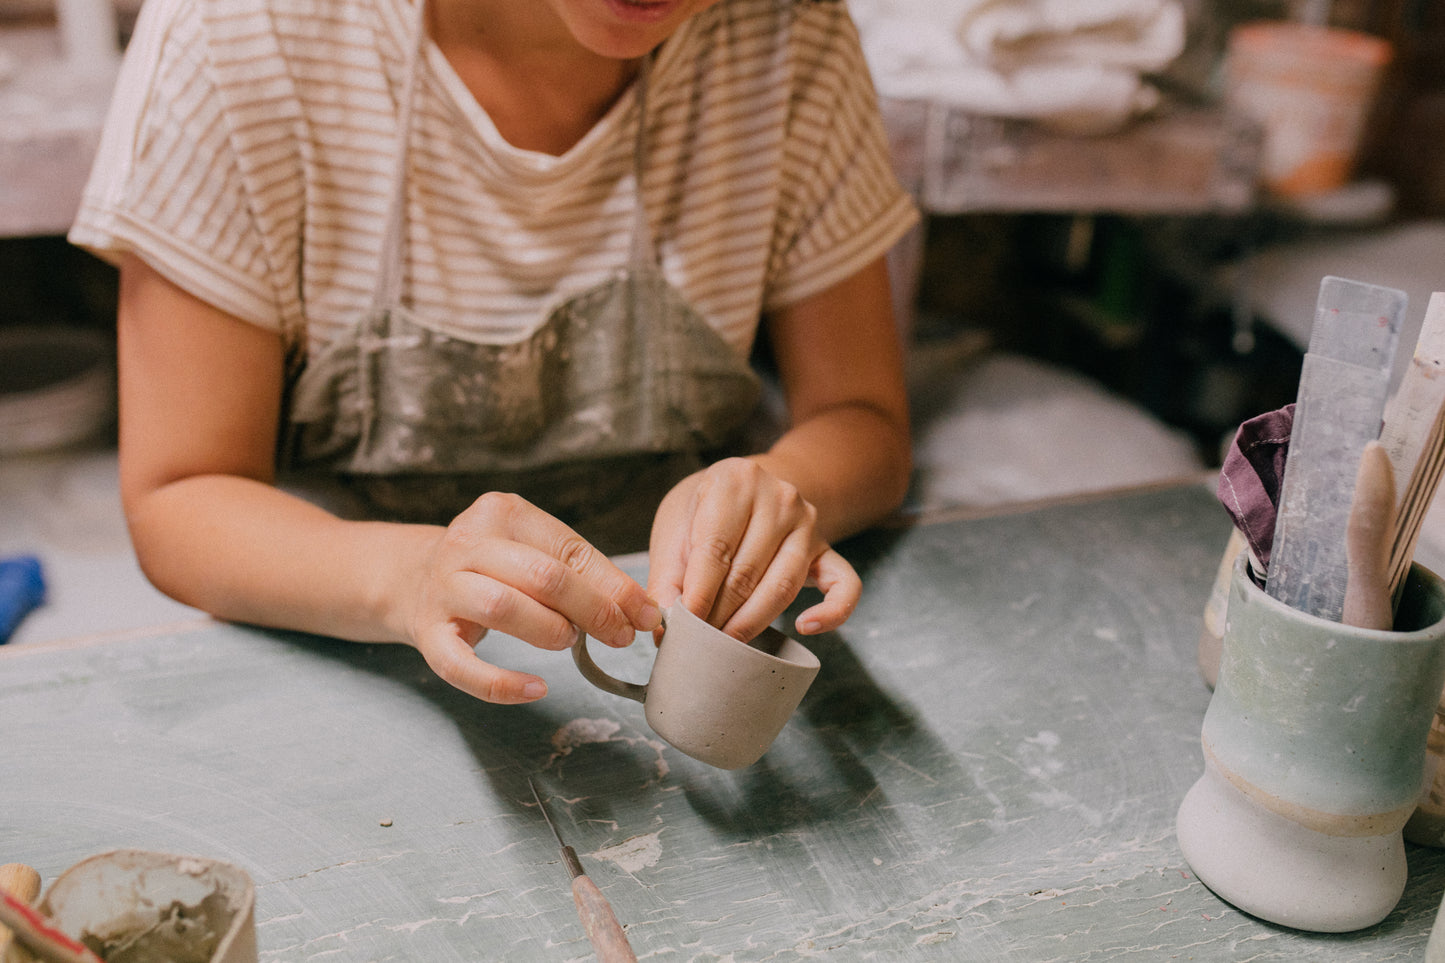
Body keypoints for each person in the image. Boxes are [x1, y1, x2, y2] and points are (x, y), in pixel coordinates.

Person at [70, 0, 918, 704]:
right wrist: (408, 576)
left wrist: (781, 488)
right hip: (346, 644)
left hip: (662, 650)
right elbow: (180, 497)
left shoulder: (787, 31)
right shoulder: (245, 33)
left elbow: (863, 420)